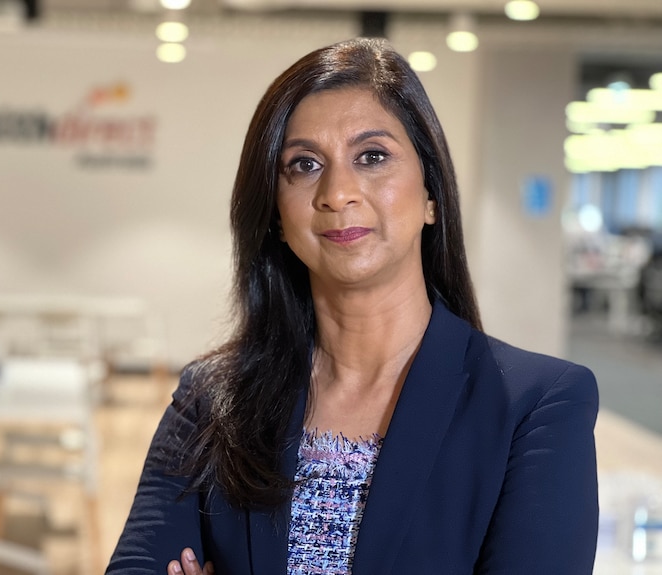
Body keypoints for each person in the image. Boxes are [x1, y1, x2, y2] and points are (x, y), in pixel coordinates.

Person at [106, 37, 599, 575]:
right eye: (304, 164)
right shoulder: (209, 400)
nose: (338, 193)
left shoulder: (536, 407)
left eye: (372, 156)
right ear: (275, 212)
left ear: (431, 194)